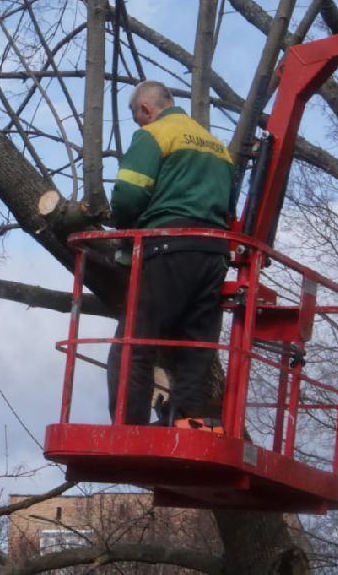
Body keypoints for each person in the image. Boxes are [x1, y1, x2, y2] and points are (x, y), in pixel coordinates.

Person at [106, 81, 234, 429]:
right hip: (213, 253)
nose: (141, 127)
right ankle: (187, 421)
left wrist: (121, 226)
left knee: (135, 342)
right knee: (195, 345)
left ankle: (128, 428)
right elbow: (229, 205)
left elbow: (129, 196)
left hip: (167, 247)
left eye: (139, 120)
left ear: (146, 110)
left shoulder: (155, 135)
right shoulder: (217, 147)